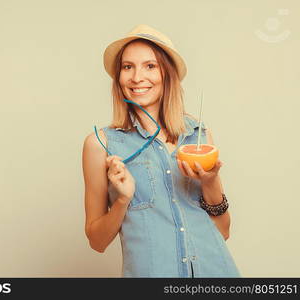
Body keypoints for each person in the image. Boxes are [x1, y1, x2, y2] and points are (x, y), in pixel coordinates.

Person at [82, 24, 241, 277]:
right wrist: (122, 200)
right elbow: (97, 241)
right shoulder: (100, 144)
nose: (136, 77)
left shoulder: (198, 136)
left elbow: (223, 231)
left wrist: (211, 183)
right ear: (119, 76)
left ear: (167, 74)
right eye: (127, 67)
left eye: (150, 66)